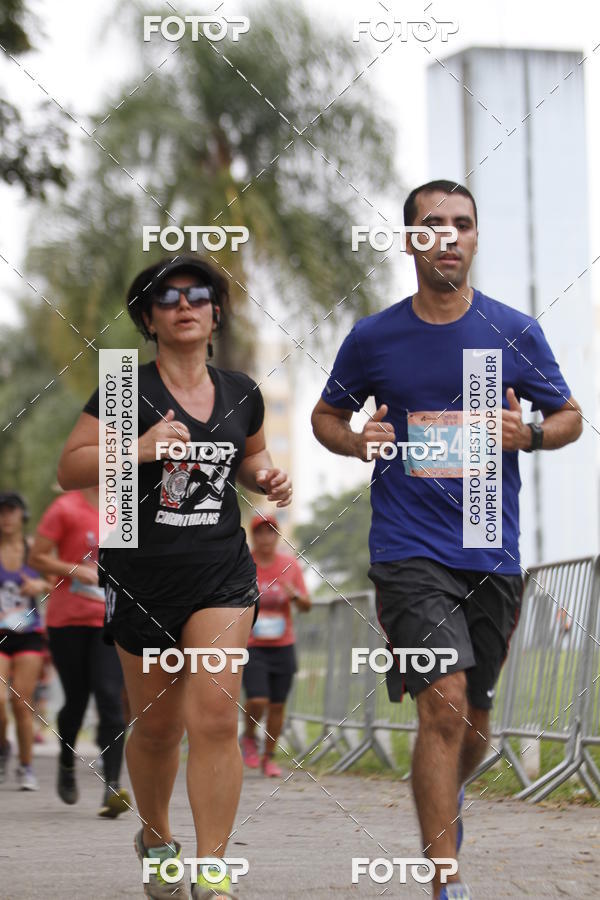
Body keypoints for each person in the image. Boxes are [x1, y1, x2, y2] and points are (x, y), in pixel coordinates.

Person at [311, 180, 583, 900]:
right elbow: (324, 418)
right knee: (445, 703)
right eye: (433, 225)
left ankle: (441, 804)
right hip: (407, 550)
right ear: (409, 240)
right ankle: (446, 879)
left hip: (490, 547)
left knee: (476, 732)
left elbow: (570, 417)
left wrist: (527, 431)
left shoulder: (515, 331)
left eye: (462, 225)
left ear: (473, 239)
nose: (449, 237)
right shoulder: (374, 337)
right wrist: (354, 439)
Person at [56, 255, 292, 900]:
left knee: (215, 718)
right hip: (141, 574)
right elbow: (71, 468)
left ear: (216, 312)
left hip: (220, 571)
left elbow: (252, 459)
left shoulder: (242, 390)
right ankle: (158, 840)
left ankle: (214, 867)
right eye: (168, 297)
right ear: (148, 319)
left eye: (198, 295)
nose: (184, 304)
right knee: (157, 726)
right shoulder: (124, 390)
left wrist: (267, 477)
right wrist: (141, 447)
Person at [29, 486, 131, 818]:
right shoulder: (65, 508)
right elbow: (37, 557)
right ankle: (66, 762)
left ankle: (113, 786)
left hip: (110, 620)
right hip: (68, 621)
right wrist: (74, 569)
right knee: (77, 699)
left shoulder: (124, 506)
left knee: (109, 695)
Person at [241, 513, 310, 777]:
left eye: (271, 531)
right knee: (258, 698)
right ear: (253, 535)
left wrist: (295, 596)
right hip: (253, 643)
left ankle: (268, 757)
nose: (266, 537)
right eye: (260, 532)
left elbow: (306, 605)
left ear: (277, 535)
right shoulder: (245, 562)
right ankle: (248, 736)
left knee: (278, 705)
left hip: (283, 642)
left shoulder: (290, 565)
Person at [0, 491, 51, 791]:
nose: (6, 517)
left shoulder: (34, 549)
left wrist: (40, 584)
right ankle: (3, 749)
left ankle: (26, 766)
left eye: (12, 511)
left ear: (22, 515)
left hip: (29, 635)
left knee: (21, 704)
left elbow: (56, 582)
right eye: (2, 512)